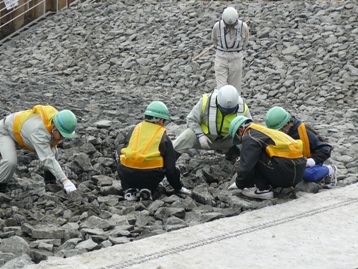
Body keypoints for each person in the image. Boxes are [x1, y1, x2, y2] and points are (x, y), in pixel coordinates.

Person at [114, 101, 191, 201]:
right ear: (160, 121)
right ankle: (148, 188)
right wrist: (178, 187)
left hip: (128, 173)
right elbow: (171, 169)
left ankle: (129, 189)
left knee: (120, 149)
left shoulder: (134, 130)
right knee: (163, 159)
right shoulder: (163, 137)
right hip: (151, 176)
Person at [0, 105, 78, 193]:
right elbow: (47, 158)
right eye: (62, 135)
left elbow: (51, 151)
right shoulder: (38, 132)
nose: (63, 138)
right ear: (54, 128)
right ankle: (1, 188)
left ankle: (50, 184)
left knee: (54, 152)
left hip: (19, 130)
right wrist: (65, 181)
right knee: (10, 162)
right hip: (5, 131)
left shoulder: (56, 120)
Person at [228, 116, 306, 200]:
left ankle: (263, 189)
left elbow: (247, 167)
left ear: (240, 130)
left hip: (286, 174)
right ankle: (271, 185)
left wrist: (239, 183)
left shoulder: (249, 136)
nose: (240, 140)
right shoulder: (263, 130)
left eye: (238, 138)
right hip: (299, 171)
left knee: (252, 155)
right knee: (260, 152)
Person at [173, 85, 252, 162]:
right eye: (223, 110)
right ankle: (168, 162)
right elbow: (191, 119)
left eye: (230, 111)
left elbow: (250, 130)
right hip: (205, 139)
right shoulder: (206, 101)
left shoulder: (243, 108)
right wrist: (200, 135)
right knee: (187, 136)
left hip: (228, 142)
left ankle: (233, 157)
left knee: (248, 140)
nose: (226, 113)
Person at [265, 106, 337, 187]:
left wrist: (313, 160)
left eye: (279, 130)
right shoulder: (272, 134)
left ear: (286, 124)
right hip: (288, 165)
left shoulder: (303, 130)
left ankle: (329, 170)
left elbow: (326, 148)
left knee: (307, 174)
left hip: (307, 164)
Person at [212, 6, 249, 96]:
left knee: (235, 88)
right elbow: (214, 40)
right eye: (227, 25)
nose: (229, 27)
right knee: (221, 88)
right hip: (221, 58)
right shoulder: (217, 26)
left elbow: (245, 42)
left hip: (236, 59)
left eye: (232, 25)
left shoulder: (243, 27)